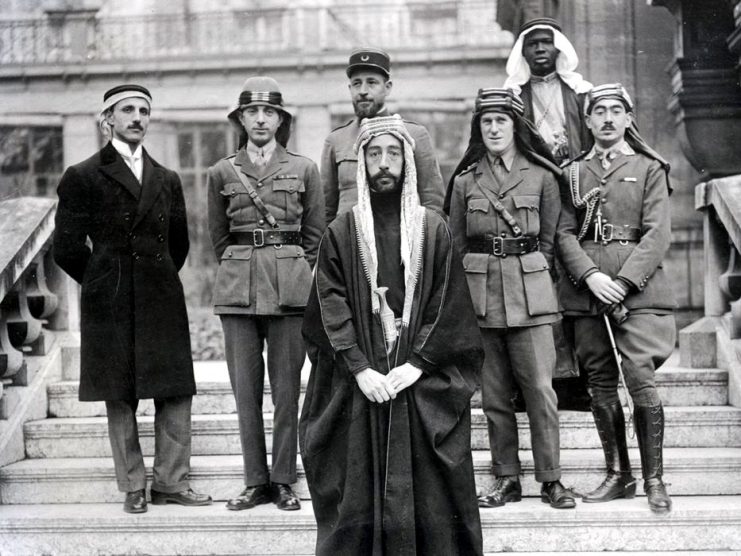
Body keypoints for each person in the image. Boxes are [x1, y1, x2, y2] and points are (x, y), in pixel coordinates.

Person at [300, 115, 484, 555]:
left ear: (408, 162)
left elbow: (448, 302)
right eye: (374, 154)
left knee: (434, 495)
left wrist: (417, 364)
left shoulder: (431, 228)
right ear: (361, 163)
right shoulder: (340, 232)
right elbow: (328, 303)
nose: (384, 163)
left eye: (394, 154)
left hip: (416, 381)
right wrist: (360, 369)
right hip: (361, 381)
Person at [53, 84, 212, 514]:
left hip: (161, 294)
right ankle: (133, 486)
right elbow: (65, 247)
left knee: (175, 390)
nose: (137, 117)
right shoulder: (82, 175)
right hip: (111, 299)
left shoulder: (167, 179)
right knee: (120, 393)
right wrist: (104, 281)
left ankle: (171, 483)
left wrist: (154, 276)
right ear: (108, 119)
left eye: (144, 110)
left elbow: (178, 244)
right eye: (127, 110)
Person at [447, 88, 575, 510]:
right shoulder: (466, 181)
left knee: (540, 391)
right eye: (486, 121)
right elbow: (457, 244)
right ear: (478, 128)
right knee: (496, 397)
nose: (494, 128)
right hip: (481, 299)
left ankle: (551, 480)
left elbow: (553, 240)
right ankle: (506, 479)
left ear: (517, 126)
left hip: (531, 297)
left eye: (502, 120)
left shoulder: (542, 176)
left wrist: (537, 279)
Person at [207, 76, 325, 512]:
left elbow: (313, 236)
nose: (260, 119)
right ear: (240, 119)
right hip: (238, 289)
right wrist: (245, 265)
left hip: (289, 289)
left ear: (280, 119)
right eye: (251, 112)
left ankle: (283, 480)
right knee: (245, 390)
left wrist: (289, 268)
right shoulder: (222, 170)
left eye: (268, 112)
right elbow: (218, 237)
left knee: (287, 389)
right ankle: (255, 481)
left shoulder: (304, 168)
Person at [557, 83, 675, 514]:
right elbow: (563, 233)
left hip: (637, 291)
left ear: (628, 117)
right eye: (599, 111)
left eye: (615, 110)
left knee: (640, 377)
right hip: (585, 292)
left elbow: (658, 232)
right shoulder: (572, 173)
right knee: (600, 382)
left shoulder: (649, 167)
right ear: (587, 121)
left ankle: (654, 479)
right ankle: (618, 475)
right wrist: (589, 275)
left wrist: (622, 283)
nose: (607, 118)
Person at [321, 47, 445, 225]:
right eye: (357, 83)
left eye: (371, 82)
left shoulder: (414, 135)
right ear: (350, 88)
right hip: (348, 243)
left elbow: (433, 203)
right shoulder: (336, 140)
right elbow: (326, 210)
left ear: (387, 88)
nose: (363, 90)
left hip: (400, 242)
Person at [504, 17, 593, 165]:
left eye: (547, 42)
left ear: (558, 48)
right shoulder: (514, 96)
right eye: (532, 44)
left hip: (576, 172)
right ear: (523, 52)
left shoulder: (580, 90)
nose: (540, 49)